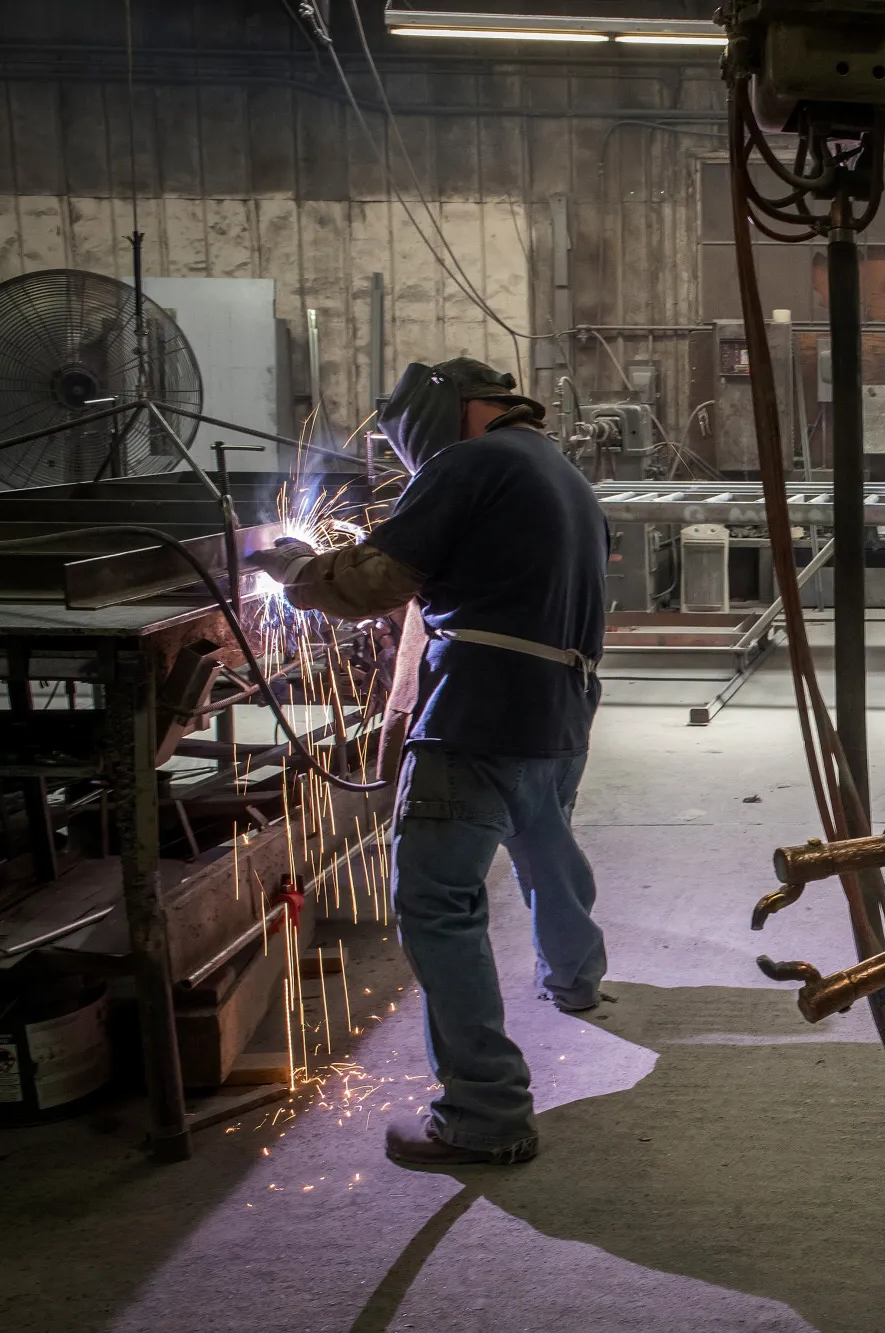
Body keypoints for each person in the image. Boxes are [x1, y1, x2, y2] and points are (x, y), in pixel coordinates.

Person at [248, 357, 609, 1167]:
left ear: (443, 414)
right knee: (545, 847)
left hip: (473, 716)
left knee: (437, 904)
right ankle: (577, 976)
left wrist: (298, 571)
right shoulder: (557, 468)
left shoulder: (465, 463)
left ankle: (484, 1111)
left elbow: (372, 580)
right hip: (558, 712)